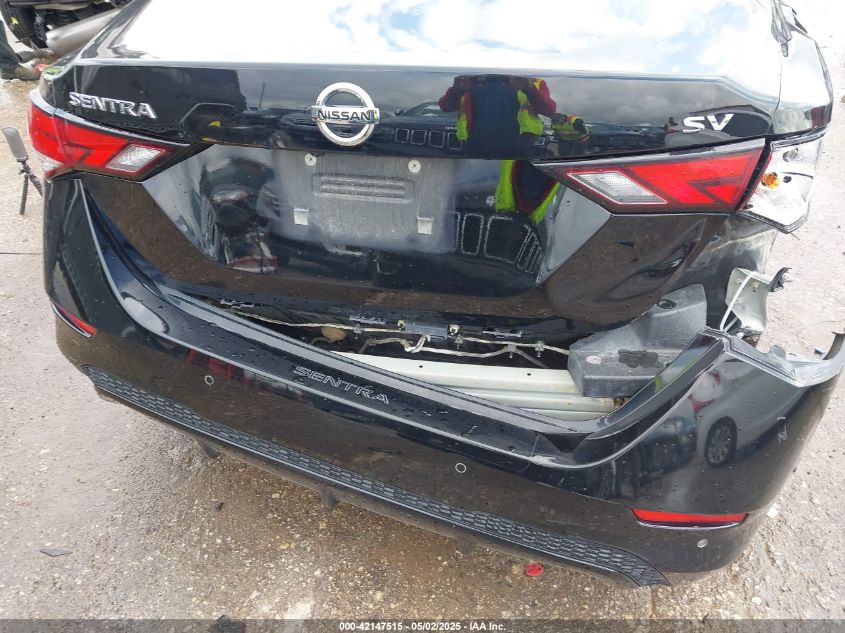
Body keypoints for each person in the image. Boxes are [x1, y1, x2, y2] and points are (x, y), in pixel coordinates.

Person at [439, 74, 556, 157]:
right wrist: (457, 89)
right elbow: (445, 107)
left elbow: (549, 110)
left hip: (521, 147)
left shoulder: (533, 82)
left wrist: (529, 88)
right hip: (476, 146)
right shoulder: (470, 80)